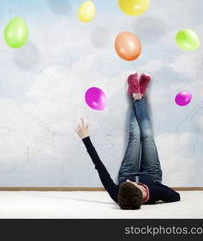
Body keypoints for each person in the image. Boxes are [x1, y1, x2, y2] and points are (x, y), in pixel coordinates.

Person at [75, 72, 180, 209]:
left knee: (135, 136)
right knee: (147, 135)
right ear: (142, 193)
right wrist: (156, 186)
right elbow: (176, 196)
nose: (131, 181)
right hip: (151, 175)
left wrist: (85, 139)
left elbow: (99, 167)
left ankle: (136, 94)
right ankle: (137, 96)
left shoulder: (117, 194)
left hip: (128, 171)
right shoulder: (154, 192)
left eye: (127, 183)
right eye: (132, 183)